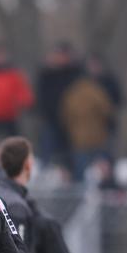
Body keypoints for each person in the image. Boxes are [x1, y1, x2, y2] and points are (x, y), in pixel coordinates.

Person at [35, 42, 82, 170]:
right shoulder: (47, 74)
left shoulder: (76, 73)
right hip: (51, 118)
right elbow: (41, 95)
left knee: (72, 152)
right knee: (47, 149)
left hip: (72, 120)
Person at [60, 74, 113, 183]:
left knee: (80, 173)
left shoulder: (71, 94)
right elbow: (107, 111)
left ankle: (80, 196)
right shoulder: (96, 91)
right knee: (101, 173)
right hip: (97, 138)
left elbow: (65, 116)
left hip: (78, 140)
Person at [86, 54, 123, 187]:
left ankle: (109, 181)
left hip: (107, 126)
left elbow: (117, 101)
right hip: (90, 129)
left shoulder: (109, 81)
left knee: (107, 155)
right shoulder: (85, 83)